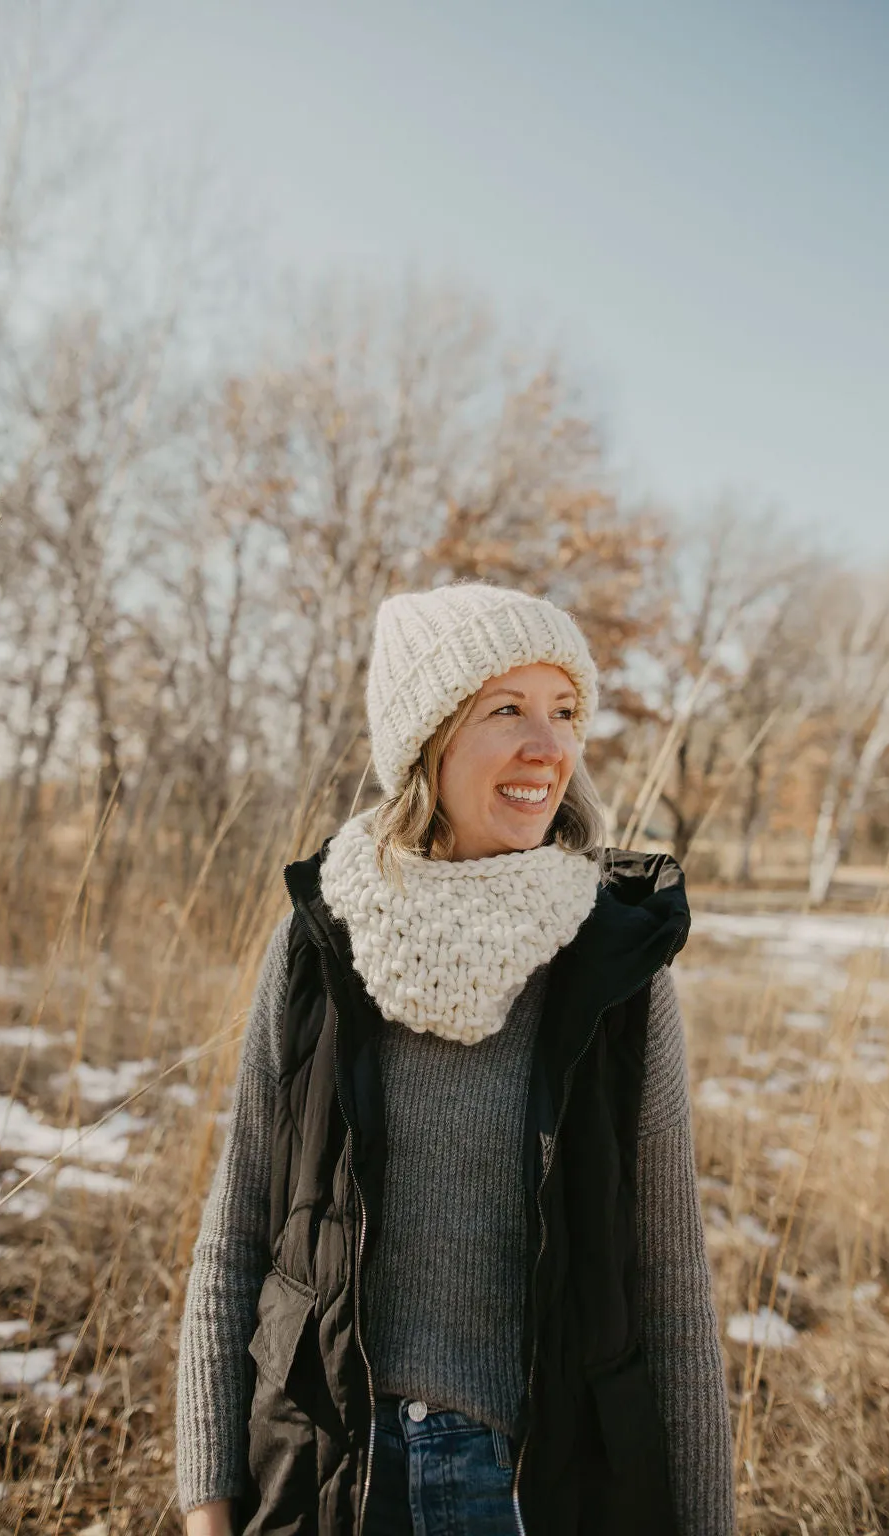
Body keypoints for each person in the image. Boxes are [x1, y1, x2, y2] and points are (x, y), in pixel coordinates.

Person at [176, 581, 736, 1536]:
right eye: (506, 710)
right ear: (427, 740)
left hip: (533, 1489)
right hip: (328, 1482)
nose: (550, 747)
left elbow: (672, 1286)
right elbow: (235, 1250)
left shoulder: (614, 966)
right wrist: (207, 1510)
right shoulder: (318, 948)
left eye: (565, 712)